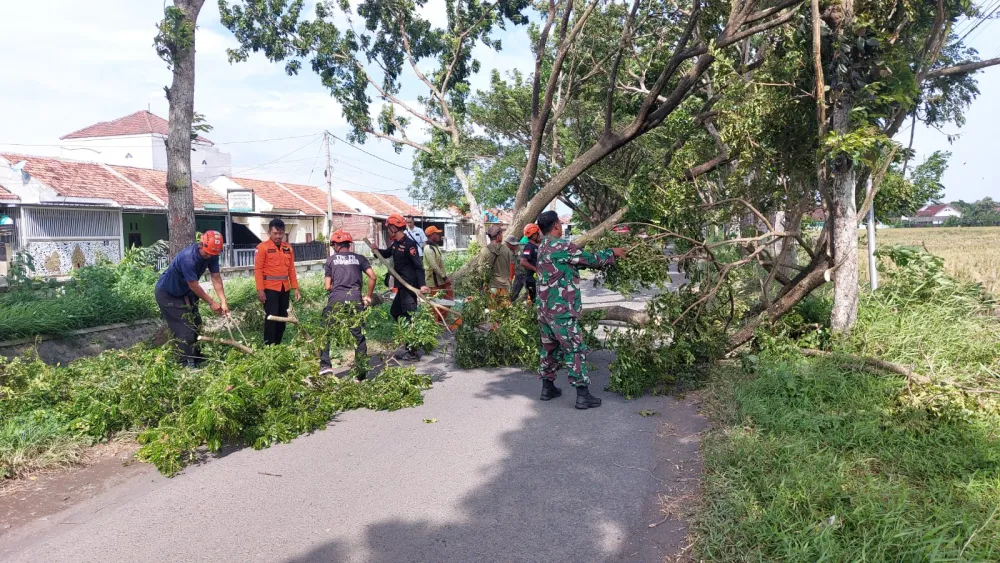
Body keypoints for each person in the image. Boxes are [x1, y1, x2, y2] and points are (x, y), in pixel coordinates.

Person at [534, 210, 626, 409]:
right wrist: (612, 253)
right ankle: (582, 395)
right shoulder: (561, 245)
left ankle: (547, 388)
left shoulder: (542, 247)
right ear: (557, 225)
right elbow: (590, 259)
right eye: (559, 222)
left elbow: (569, 264)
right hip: (561, 311)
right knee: (574, 349)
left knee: (549, 348)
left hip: (544, 310)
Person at [154, 231, 230, 367]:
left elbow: (216, 277)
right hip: (168, 293)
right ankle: (185, 363)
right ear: (201, 245)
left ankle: (197, 357)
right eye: (207, 254)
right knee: (184, 329)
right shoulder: (188, 258)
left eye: (213, 255)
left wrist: (223, 301)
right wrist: (212, 302)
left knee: (196, 323)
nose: (209, 257)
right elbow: (194, 285)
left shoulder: (212, 254)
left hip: (186, 292)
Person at [320, 230, 377, 380]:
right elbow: (373, 276)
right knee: (358, 336)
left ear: (335, 245)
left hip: (336, 301)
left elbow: (327, 286)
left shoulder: (331, 260)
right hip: (355, 301)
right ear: (348, 245)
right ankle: (361, 373)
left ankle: (325, 366)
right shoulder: (360, 258)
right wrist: (368, 296)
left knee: (325, 332)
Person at [375, 213, 430, 361]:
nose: (389, 231)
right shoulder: (395, 243)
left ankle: (412, 351)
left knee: (409, 316)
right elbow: (387, 253)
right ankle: (409, 342)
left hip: (409, 286)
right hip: (401, 286)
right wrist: (376, 250)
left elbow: (419, 267)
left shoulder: (409, 245)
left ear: (394, 228)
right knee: (395, 312)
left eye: (389, 228)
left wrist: (422, 285)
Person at [255, 218, 301, 345]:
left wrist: (295, 288)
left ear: (284, 232)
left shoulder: (288, 248)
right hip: (269, 289)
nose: (278, 236)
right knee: (271, 318)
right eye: (275, 233)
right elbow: (258, 269)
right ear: (270, 232)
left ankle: (278, 346)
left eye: (281, 233)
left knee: (283, 318)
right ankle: (269, 347)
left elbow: (291, 269)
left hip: (284, 288)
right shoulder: (262, 248)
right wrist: (260, 290)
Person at [422, 226, 453, 299]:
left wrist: (444, 276)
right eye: (437, 234)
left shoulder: (436, 247)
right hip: (433, 281)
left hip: (439, 279)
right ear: (431, 235)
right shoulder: (428, 248)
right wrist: (445, 278)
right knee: (435, 300)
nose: (439, 235)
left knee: (444, 299)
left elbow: (440, 264)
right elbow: (434, 266)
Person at [486, 225, 514, 294]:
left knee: (492, 304)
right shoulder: (507, 250)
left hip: (491, 286)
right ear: (498, 236)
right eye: (501, 234)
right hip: (504, 287)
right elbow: (511, 267)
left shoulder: (484, 250)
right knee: (504, 304)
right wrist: (510, 280)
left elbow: (481, 269)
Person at [518, 223, 542, 303]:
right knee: (534, 302)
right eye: (538, 233)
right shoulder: (529, 246)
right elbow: (523, 262)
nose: (540, 235)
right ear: (534, 235)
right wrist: (535, 269)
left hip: (538, 279)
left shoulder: (537, 245)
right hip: (532, 279)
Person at [507, 234, 527, 300]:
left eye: (507, 243)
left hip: (526, 275)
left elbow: (531, 259)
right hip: (518, 276)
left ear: (511, 244)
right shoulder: (510, 252)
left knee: (530, 293)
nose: (506, 245)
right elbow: (512, 264)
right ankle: (513, 306)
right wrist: (510, 277)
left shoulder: (524, 248)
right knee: (512, 295)